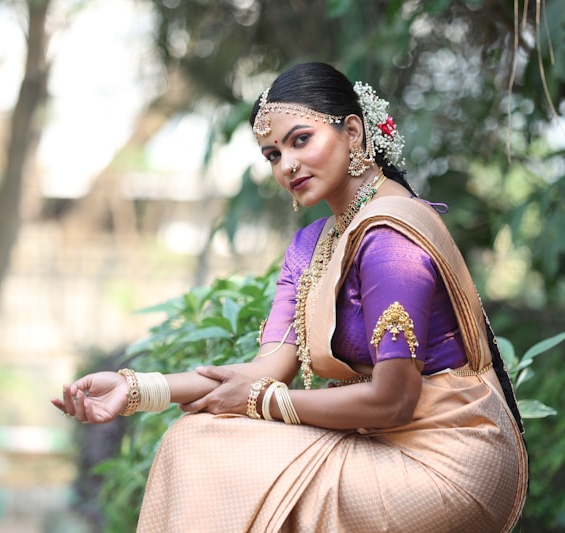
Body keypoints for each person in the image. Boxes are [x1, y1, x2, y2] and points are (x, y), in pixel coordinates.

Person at [51, 61, 528, 533]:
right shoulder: (311, 246)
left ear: (353, 132)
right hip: (376, 443)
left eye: (301, 140)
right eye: (272, 154)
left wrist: (263, 402)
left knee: (200, 452)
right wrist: (136, 389)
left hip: (446, 459)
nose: (287, 165)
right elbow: (264, 371)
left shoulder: (390, 237)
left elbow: (394, 400)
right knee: (194, 436)